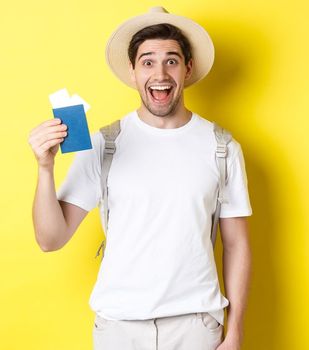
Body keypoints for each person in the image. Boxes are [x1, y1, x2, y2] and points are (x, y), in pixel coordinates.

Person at [28, 7, 251, 350]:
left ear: (187, 69)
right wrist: (45, 168)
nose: (160, 72)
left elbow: (236, 245)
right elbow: (50, 239)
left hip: (195, 326)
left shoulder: (222, 147)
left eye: (171, 60)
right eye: (147, 61)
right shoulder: (104, 144)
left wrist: (234, 332)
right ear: (132, 71)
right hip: (118, 328)